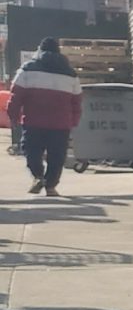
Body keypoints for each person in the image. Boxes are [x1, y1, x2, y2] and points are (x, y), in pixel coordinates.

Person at [6, 39, 82, 196]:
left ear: (39, 50)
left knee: (31, 150)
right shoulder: (71, 74)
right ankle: (51, 186)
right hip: (61, 124)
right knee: (57, 155)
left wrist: (13, 116)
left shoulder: (27, 70)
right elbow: (76, 101)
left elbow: (15, 96)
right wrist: (73, 121)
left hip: (34, 121)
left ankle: (38, 176)